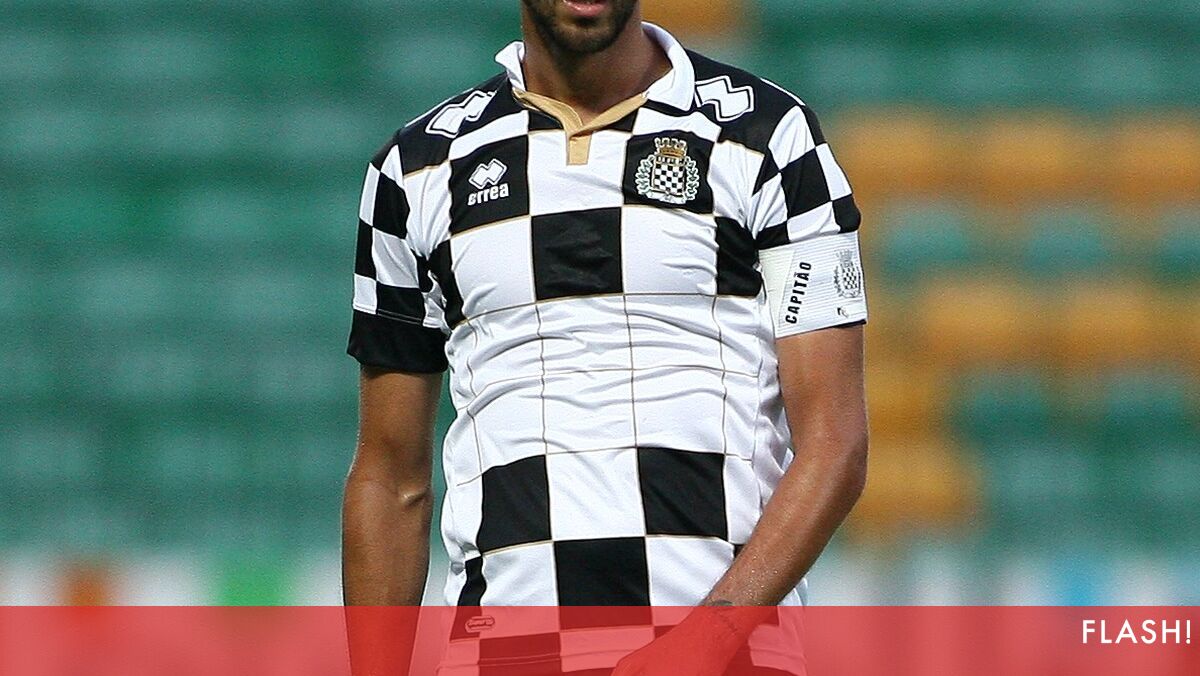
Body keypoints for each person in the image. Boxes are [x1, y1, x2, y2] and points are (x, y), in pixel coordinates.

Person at [343, 1, 869, 673]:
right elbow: (390, 479)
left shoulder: (773, 138)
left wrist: (707, 640)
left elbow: (835, 442)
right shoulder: (415, 170)